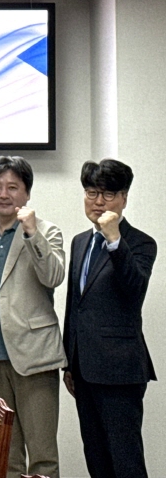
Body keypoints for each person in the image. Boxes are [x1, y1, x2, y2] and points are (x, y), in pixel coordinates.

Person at [0, 156, 65, 478]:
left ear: (27, 193)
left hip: (35, 359)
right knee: (5, 454)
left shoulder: (47, 232)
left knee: (43, 456)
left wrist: (32, 233)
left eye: (13, 187)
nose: (4, 194)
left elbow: (53, 276)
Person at [63, 159, 157, 478]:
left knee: (126, 462)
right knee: (97, 458)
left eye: (108, 194)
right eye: (92, 193)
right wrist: (69, 362)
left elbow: (134, 291)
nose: (98, 202)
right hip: (83, 371)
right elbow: (75, 305)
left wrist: (115, 241)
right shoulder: (80, 242)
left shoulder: (141, 243)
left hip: (119, 372)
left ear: (124, 198)